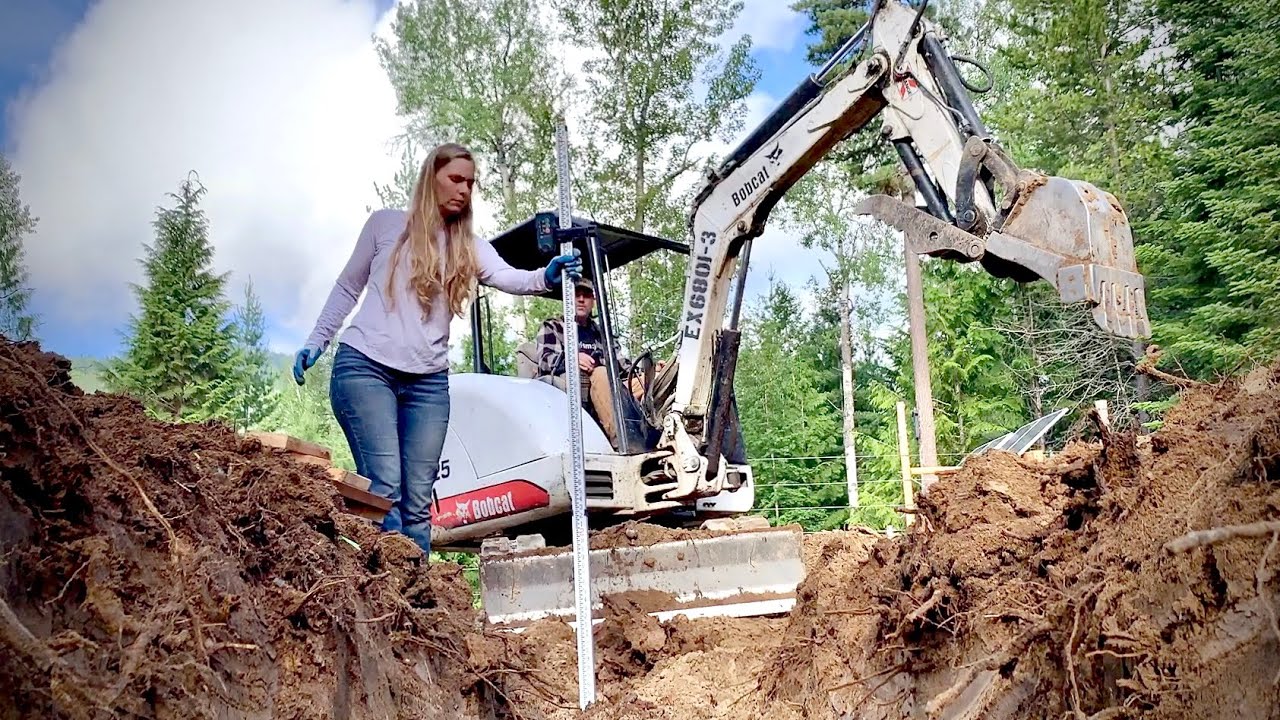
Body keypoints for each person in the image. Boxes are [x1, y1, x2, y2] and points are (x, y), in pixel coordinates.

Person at [292, 142, 582, 554]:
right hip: (366, 369)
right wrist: (317, 340)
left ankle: (417, 589)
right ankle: (387, 585)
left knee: (419, 504)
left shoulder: (469, 246)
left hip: (427, 383)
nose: (464, 189)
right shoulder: (385, 226)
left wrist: (544, 277)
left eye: (471, 183)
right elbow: (347, 287)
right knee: (385, 487)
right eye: (455, 179)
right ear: (432, 178)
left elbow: (508, 276)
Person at [532, 277, 620, 447]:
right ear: (567, 299)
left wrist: (649, 371)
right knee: (601, 373)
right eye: (576, 294)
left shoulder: (602, 333)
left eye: (586, 295)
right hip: (576, 387)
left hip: (610, 386)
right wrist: (572, 357)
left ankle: (657, 434)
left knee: (650, 380)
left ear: (593, 301)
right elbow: (545, 360)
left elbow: (621, 363)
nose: (581, 299)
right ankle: (621, 442)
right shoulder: (553, 327)